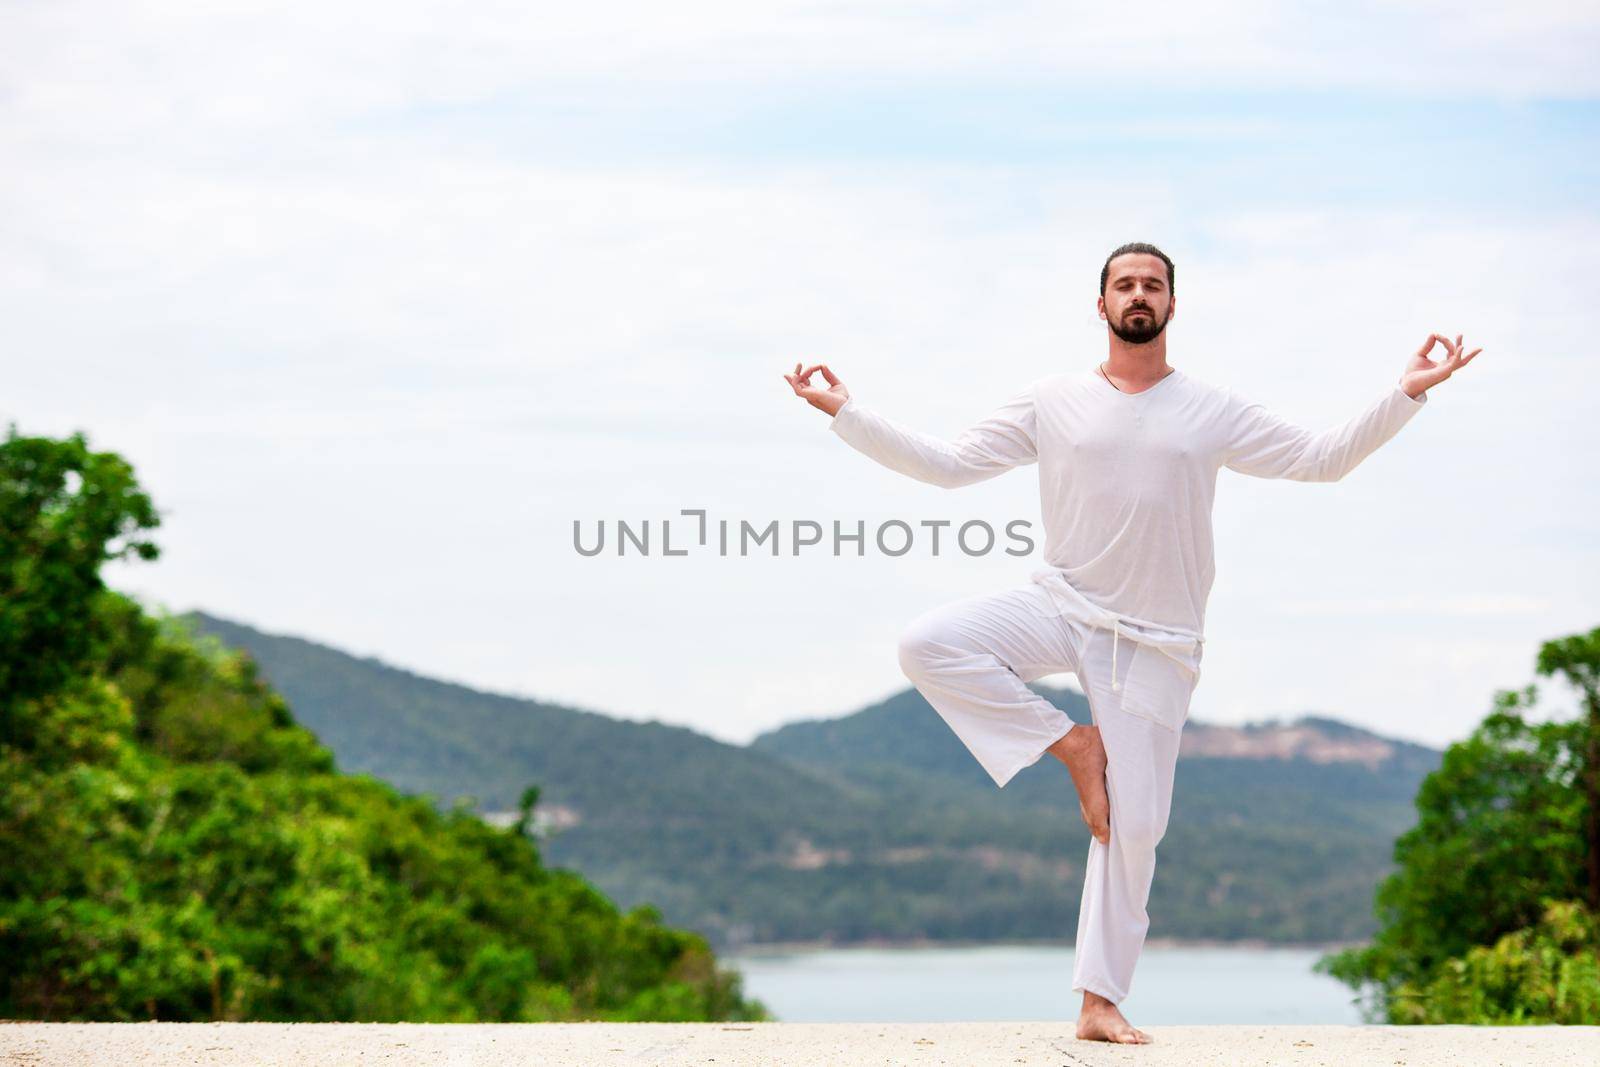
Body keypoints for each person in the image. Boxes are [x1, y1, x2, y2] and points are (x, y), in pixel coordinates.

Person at [781, 241, 1481, 1045]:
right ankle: (1071, 744)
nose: (1138, 294)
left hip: (1156, 643)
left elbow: (1322, 459)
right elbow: (947, 466)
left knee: (1136, 825)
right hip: (1063, 605)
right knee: (929, 642)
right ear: (1102, 303)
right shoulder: (1053, 400)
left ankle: (1097, 1000)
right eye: (1125, 284)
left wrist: (1405, 394)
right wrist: (846, 412)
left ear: (1172, 305)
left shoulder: (1212, 409)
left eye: (1153, 284)